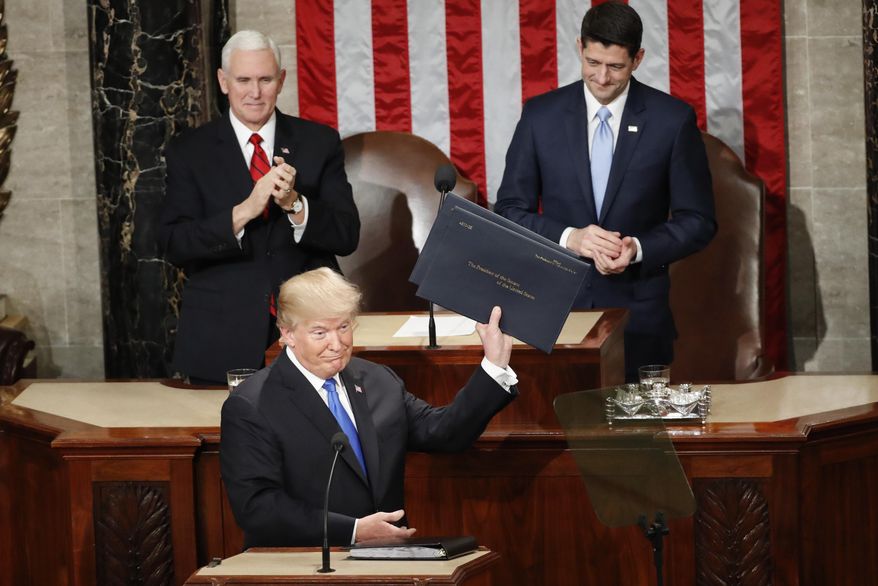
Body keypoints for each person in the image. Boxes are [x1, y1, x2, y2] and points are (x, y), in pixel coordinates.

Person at [494, 1, 716, 382]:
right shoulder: (540, 116)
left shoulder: (672, 120)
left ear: (638, 58)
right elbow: (510, 210)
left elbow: (698, 220)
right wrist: (570, 238)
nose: (601, 77)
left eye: (615, 66)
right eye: (593, 62)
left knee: (639, 437)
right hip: (555, 312)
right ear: (580, 47)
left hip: (639, 315)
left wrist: (637, 249)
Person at [220, 268, 517, 547]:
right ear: (287, 334)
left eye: (344, 327)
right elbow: (257, 508)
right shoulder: (252, 405)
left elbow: (445, 433)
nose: (337, 343)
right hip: (307, 564)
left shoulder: (376, 380)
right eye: (320, 333)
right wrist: (353, 531)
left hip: (388, 560)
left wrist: (493, 365)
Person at [159, 30, 359, 384]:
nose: (255, 92)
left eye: (265, 79)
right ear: (223, 81)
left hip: (311, 335)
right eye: (244, 80)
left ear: (281, 81)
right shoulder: (189, 150)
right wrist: (243, 212)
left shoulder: (319, 142)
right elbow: (174, 243)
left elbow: (347, 235)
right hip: (221, 335)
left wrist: (296, 204)